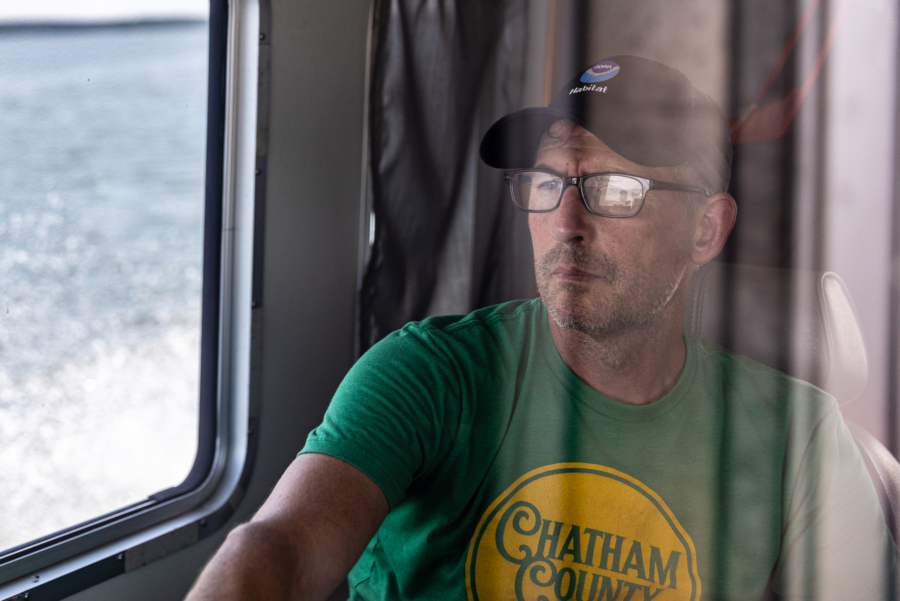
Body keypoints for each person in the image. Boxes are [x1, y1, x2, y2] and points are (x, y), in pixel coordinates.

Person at [185, 56, 896, 601]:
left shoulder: (800, 437)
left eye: (616, 191)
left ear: (706, 229)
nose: (565, 223)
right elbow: (281, 546)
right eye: (546, 183)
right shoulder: (429, 375)